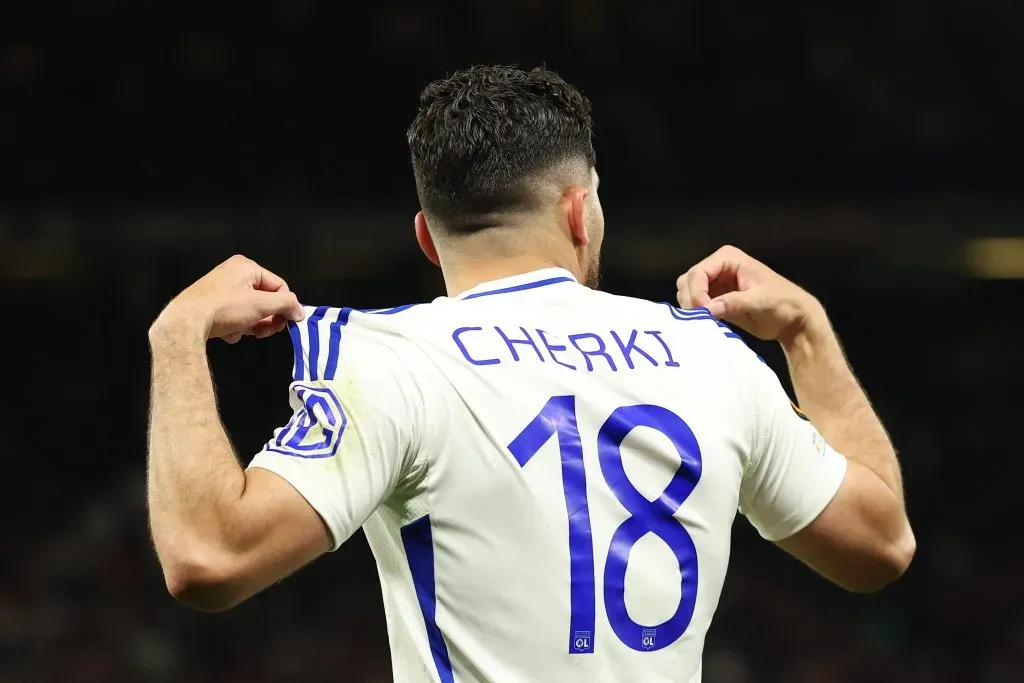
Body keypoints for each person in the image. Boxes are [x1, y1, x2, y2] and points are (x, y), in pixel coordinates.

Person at [147, 65, 915, 683]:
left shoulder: (394, 358)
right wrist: (807, 332)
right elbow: (880, 544)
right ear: (581, 212)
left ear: (426, 235)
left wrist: (178, 335)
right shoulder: (711, 356)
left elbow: (209, 557)